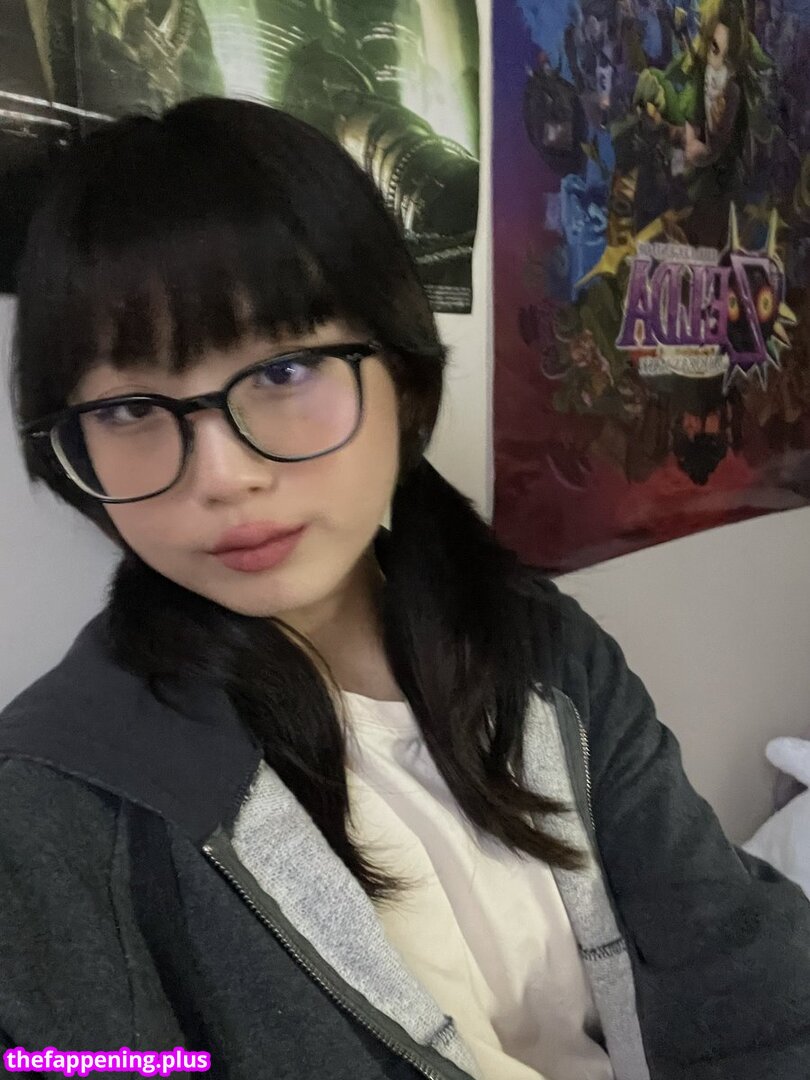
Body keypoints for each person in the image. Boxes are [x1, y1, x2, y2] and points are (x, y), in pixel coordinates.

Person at [1, 97, 808, 1080]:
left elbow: (743, 972)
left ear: (404, 375)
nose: (223, 476)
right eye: (131, 407)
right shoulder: (54, 805)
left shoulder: (540, 646)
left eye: (285, 369)